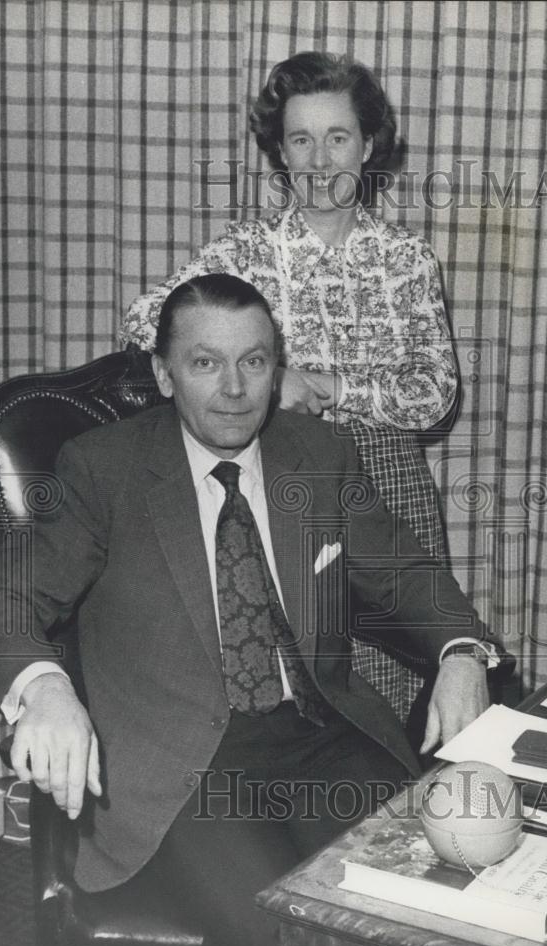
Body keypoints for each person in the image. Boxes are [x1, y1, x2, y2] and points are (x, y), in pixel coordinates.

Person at [0, 275, 498, 946]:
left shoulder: (318, 453)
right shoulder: (105, 470)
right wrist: (46, 690)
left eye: (254, 361)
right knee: (277, 939)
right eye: (204, 362)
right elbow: (2, 605)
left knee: (422, 915)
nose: (235, 388)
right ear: (163, 373)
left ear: (276, 367)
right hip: (187, 761)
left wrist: (460, 652)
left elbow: (402, 571)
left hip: (320, 736)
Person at [121, 51, 460, 726]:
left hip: (391, 481)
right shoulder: (243, 253)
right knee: (308, 691)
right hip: (282, 483)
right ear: (279, 152)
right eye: (299, 139)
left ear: (367, 146)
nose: (319, 158)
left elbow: (435, 393)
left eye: (337, 137)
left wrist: (326, 385)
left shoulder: (406, 257)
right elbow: (142, 318)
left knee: (402, 693)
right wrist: (269, 380)